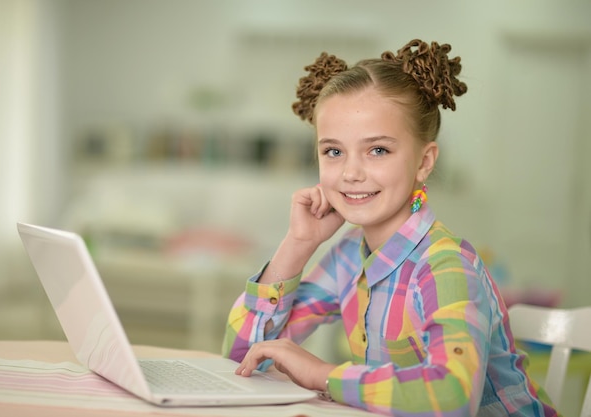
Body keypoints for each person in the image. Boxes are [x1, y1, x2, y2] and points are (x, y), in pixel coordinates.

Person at [222, 39, 560, 416]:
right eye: (333, 151)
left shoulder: (445, 266)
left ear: (424, 161)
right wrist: (299, 243)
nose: (351, 173)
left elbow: (453, 397)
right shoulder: (349, 257)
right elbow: (242, 358)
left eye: (378, 150)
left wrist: (323, 375)